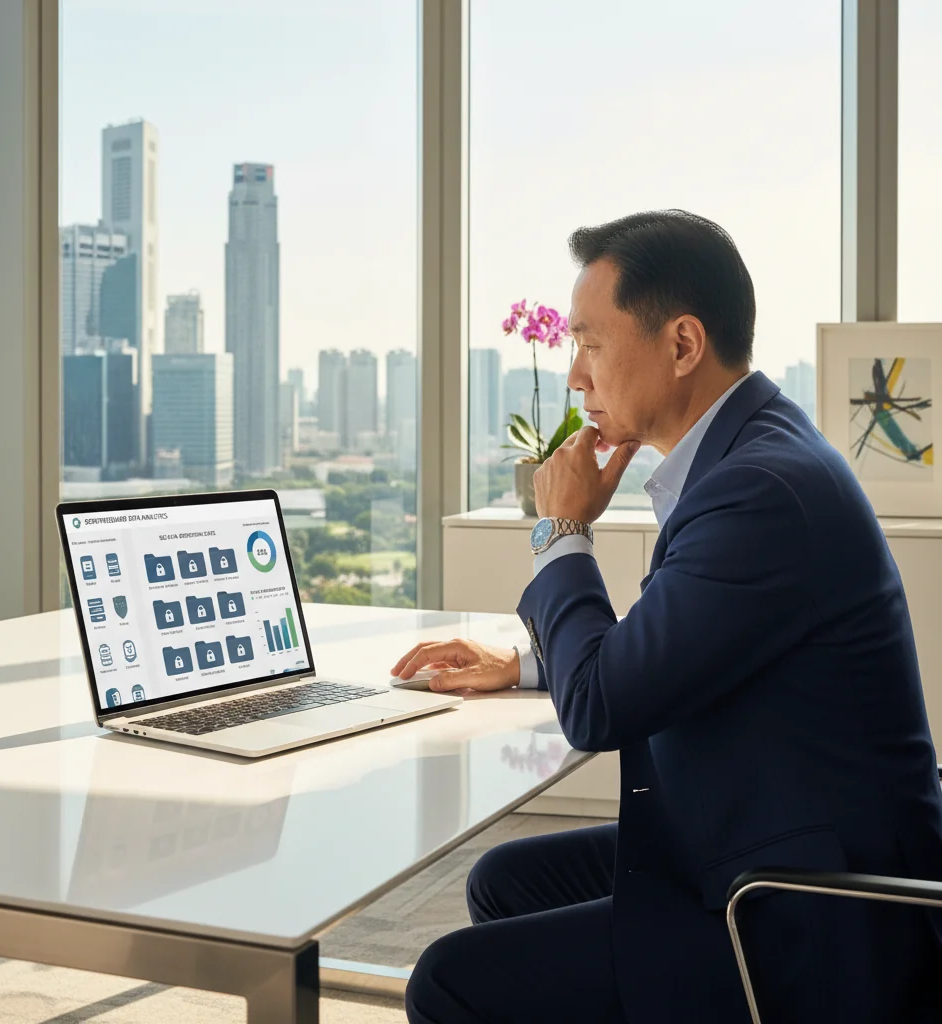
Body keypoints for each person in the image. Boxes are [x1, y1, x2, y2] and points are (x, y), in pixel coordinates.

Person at [393, 210, 942, 1023]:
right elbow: (695, 642)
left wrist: (562, 533)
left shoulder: (759, 490)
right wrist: (532, 662)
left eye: (591, 343)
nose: (576, 376)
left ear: (682, 345)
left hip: (808, 906)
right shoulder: (753, 452)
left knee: (447, 980)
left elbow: (602, 707)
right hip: (774, 831)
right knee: (503, 879)